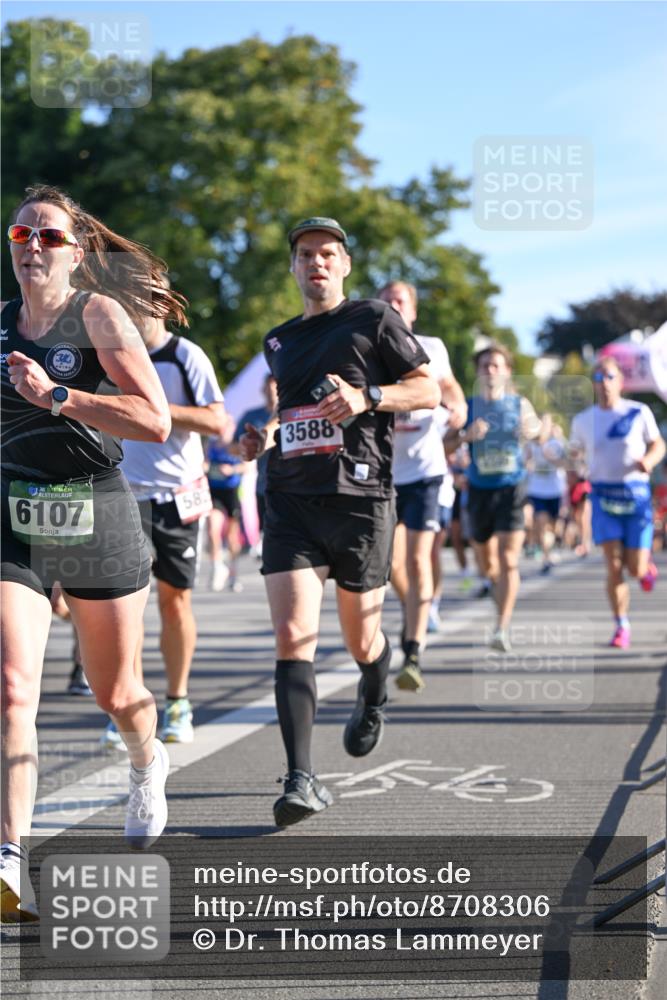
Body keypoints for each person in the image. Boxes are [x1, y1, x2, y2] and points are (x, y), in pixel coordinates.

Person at [0, 185, 176, 921]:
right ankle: (11, 858)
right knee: (13, 689)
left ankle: (145, 759)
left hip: (97, 512)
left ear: (77, 251)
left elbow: (154, 421)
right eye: (20, 234)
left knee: (118, 695)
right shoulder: (0, 324)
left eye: (49, 236)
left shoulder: (99, 315)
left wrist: (59, 397)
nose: (33, 246)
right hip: (16, 516)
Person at [241, 217, 439, 828]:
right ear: (294, 267)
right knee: (294, 638)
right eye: (305, 254)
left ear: (345, 264)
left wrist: (368, 397)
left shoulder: (376, 320)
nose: (316, 263)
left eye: (328, 254)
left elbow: (428, 389)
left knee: (361, 642)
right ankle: (301, 777)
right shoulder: (278, 341)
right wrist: (263, 436)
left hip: (361, 502)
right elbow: (291, 410)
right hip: (292, 503)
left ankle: (373, 689)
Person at [108, 285, 226, 747]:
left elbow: (219, 422)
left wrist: (157, 410)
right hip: (123, 495)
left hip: (179, 496)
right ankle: (128, 704)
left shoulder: (185, 356)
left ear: (162, 306)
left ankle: (177, 700)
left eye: (144, 302)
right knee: (123, 608)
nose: (135, 312)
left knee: (174, 602)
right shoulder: (110, 355)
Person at [377, 281, 467, 692]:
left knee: (417, 559)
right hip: (385, 474)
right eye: (387, 300)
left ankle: (413, 648)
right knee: (391, 565)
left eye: (401, 300)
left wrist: (460, 405)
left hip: (427, 472)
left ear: (411, 310)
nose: (393, 305)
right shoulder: (370, 346)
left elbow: (448, 387)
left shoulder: (431, 345)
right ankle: (416, 606)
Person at [444, 343, 542, 652]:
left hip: (511, 488)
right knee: (485, 560)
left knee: (509, 559)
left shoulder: (518, 403)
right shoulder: (468, 406)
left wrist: (531, 429)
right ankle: (491, 579)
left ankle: (501, 626)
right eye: (485, 365)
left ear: (507, 372)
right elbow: (444, 446)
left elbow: (538, 430)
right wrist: (465, 436)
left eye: (496, 365)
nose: (490, 370)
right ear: (478, 371)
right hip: (479, 490)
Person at [569, 356, 665, 648]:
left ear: (620, 382)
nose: (604, 384)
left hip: (634, 496)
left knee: (634, 568)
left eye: (609, 377)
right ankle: (621, 625)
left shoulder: (638, 412)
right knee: (613, 565)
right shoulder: (583, 419)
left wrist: (648, 461)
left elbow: (658, 444)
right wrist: (573, 476)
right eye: (598, 379)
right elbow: (574, 455)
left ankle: (644, 567)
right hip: (602, 495)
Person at [230, 372, 278, 543]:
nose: (272, 391)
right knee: (269, 535)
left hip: (293, 483)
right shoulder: (251, 416)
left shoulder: (293, 412)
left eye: (276, 386)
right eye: (269, 386)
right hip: (263, 485)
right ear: (263, 389)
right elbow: (232, 446)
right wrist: (247, 446)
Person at [206, 419, 247, 592]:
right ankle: (217, 567)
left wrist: (232, 470)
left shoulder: (235, 445)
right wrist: (206, 467)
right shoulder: (211, 445)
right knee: (212, 528)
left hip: (232, 492)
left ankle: (233, 573)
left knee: (232, 537)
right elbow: (205, 462)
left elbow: (247, 466)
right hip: (214, 492)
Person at [524, 414, 567, 574]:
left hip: (555, 490)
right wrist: (527, 464)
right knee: (541, 522)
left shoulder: (557, 443)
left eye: (546, 424)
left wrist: (551, 457)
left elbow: (565, 463)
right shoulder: (530, 445)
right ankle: (546, 558)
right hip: (537, 490)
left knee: (554, 528)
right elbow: (524, 462)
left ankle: (552, 547)